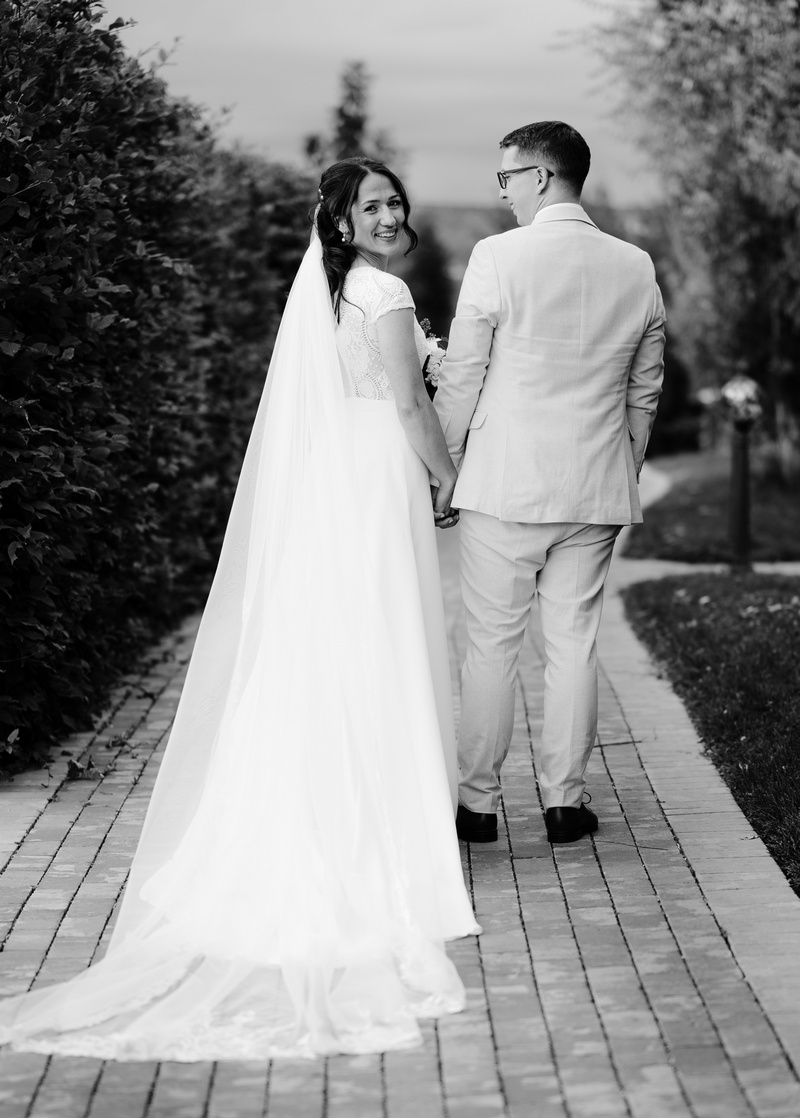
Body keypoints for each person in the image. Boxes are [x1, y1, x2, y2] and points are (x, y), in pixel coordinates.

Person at [0, 158, 479, 1060]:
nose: (390, 215)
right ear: (340, 222)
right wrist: (450, 478)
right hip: (378, 479)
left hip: (341, 480)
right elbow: (411, 406)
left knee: (347, 637)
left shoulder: (329, 294)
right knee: (384, 635)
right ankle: (390, 825)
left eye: (395, 202)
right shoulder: (383, 295)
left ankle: (349, 801)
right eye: (372, 205)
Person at [433, 121, 666, 846]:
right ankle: (565, 803)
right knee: (573, 643)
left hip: (504, 485)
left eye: (507, 177)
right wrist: (623, 469)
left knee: (491, 646)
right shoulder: (636, 265)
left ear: (540, 176)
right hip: (593, 487)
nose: (503, 192)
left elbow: (464, 373)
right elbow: (644, 391)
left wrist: (444, 467)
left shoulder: (497, 257)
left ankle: (478, 805)